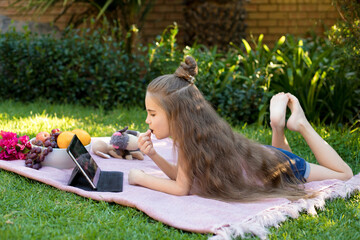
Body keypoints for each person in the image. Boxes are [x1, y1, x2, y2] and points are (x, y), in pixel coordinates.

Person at [128, 56, 353, 202]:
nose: (147, 120)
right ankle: (277, 126)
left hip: (279, 164)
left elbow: (180, 188)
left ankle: (301, 123)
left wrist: (140, 178)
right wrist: (153, 155)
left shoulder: (190, 140)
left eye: (152, 113)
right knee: (284, 165)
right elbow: (182, 176)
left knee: (344, 175)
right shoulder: (194, 135)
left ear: (176, 113)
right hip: (267, 161)